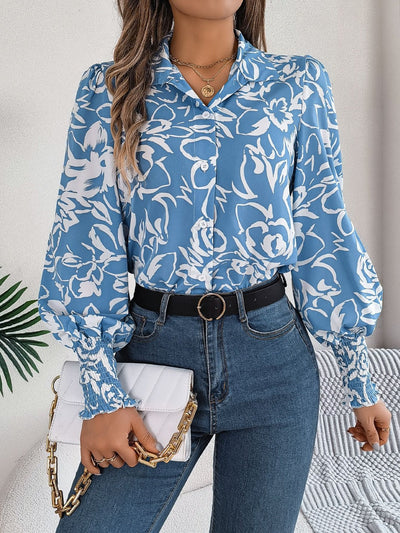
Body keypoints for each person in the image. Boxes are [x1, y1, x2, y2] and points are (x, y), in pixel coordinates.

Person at [37, 1, 392, 531]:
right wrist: (101, 394)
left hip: (273, 360)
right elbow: (86, 235)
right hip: (153, 352)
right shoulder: (108, 89)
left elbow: (324, 224)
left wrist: (360, 382)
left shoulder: (297, 83)